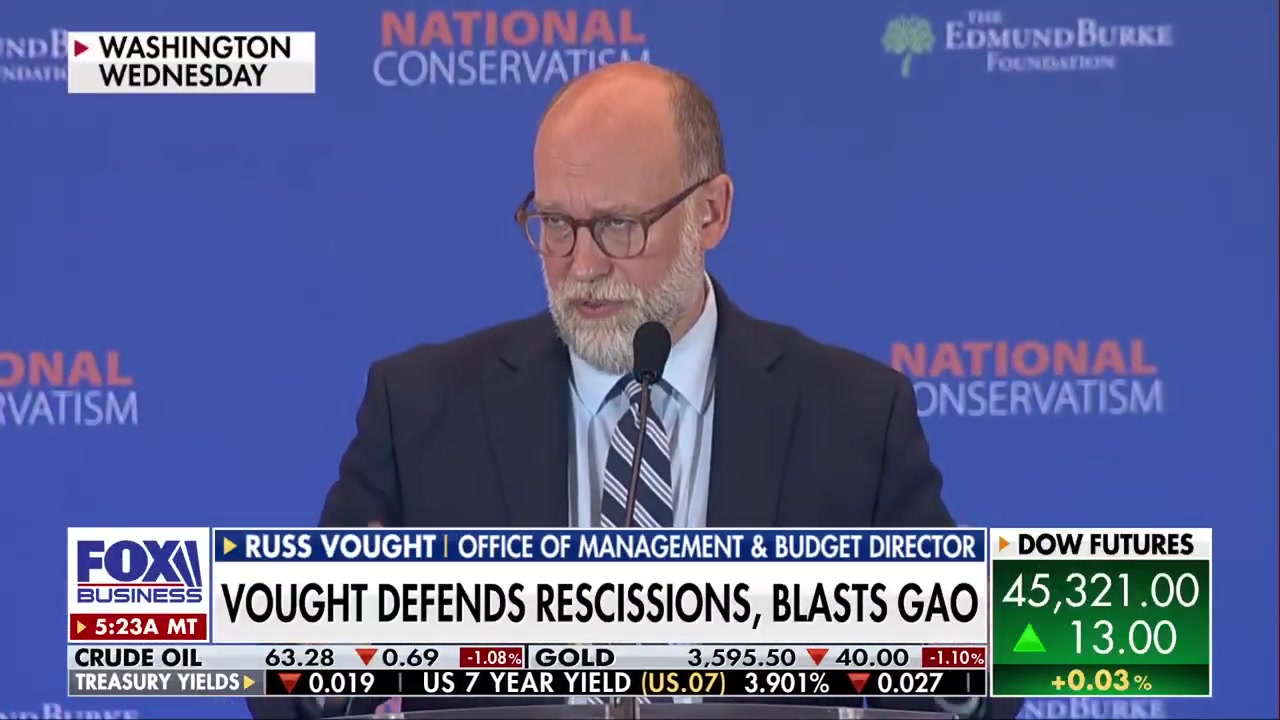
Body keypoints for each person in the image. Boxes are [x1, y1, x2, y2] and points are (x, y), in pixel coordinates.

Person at [249, 62, 1020, 719]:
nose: (582, 266)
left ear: (710, 212)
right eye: (555, 224)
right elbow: (280, 682)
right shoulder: (420, 408)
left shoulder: (853, 414)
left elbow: (982, 679)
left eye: (619, 226)